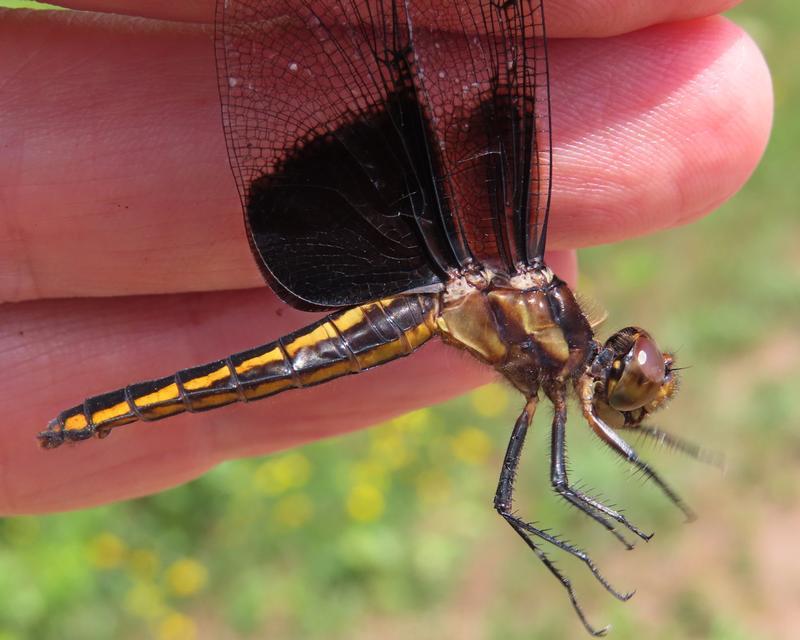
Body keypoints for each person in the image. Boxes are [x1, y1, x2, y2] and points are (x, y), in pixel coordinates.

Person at [0, 0, 772, 515]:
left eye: (636, 381)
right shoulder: (544, 329)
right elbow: (553, 482)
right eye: (637, 374)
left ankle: (94, 417)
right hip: (431, 290)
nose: (635, 376)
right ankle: (101, 414)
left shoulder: (557, 364)